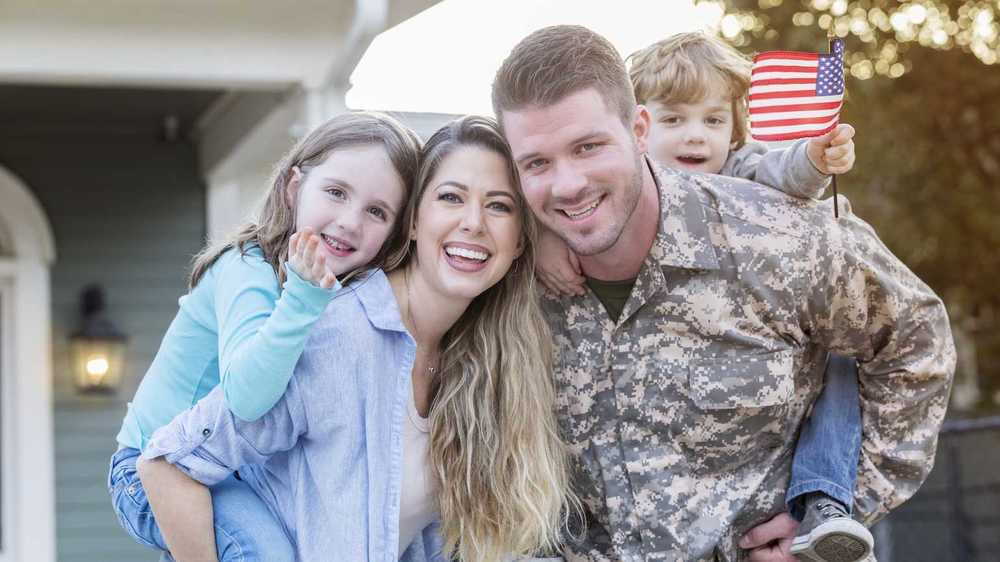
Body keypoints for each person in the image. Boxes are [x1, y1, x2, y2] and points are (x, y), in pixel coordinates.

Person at [492, 25, 956, 562]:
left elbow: (917, 338)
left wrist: (834, 511)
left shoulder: (776, 235)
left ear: (638, 129)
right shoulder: (504, 279)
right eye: (538, 163)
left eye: (589, 147)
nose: (568, 184)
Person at [136, 116, 577, 562]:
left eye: (499, 206)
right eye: (450, 198)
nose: (474, 223)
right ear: (412, 223)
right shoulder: (337, 334)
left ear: (521, 240)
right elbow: (166, 462)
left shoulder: (479, 358)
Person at [108, 111, 423, 561]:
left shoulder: (349, 301)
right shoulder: (246, 267)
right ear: (295, 189)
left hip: (236, 473)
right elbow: (246, 397)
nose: (350, 221)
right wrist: (301, 298)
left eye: (376, 211)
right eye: (335, 192)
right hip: (155, 470)